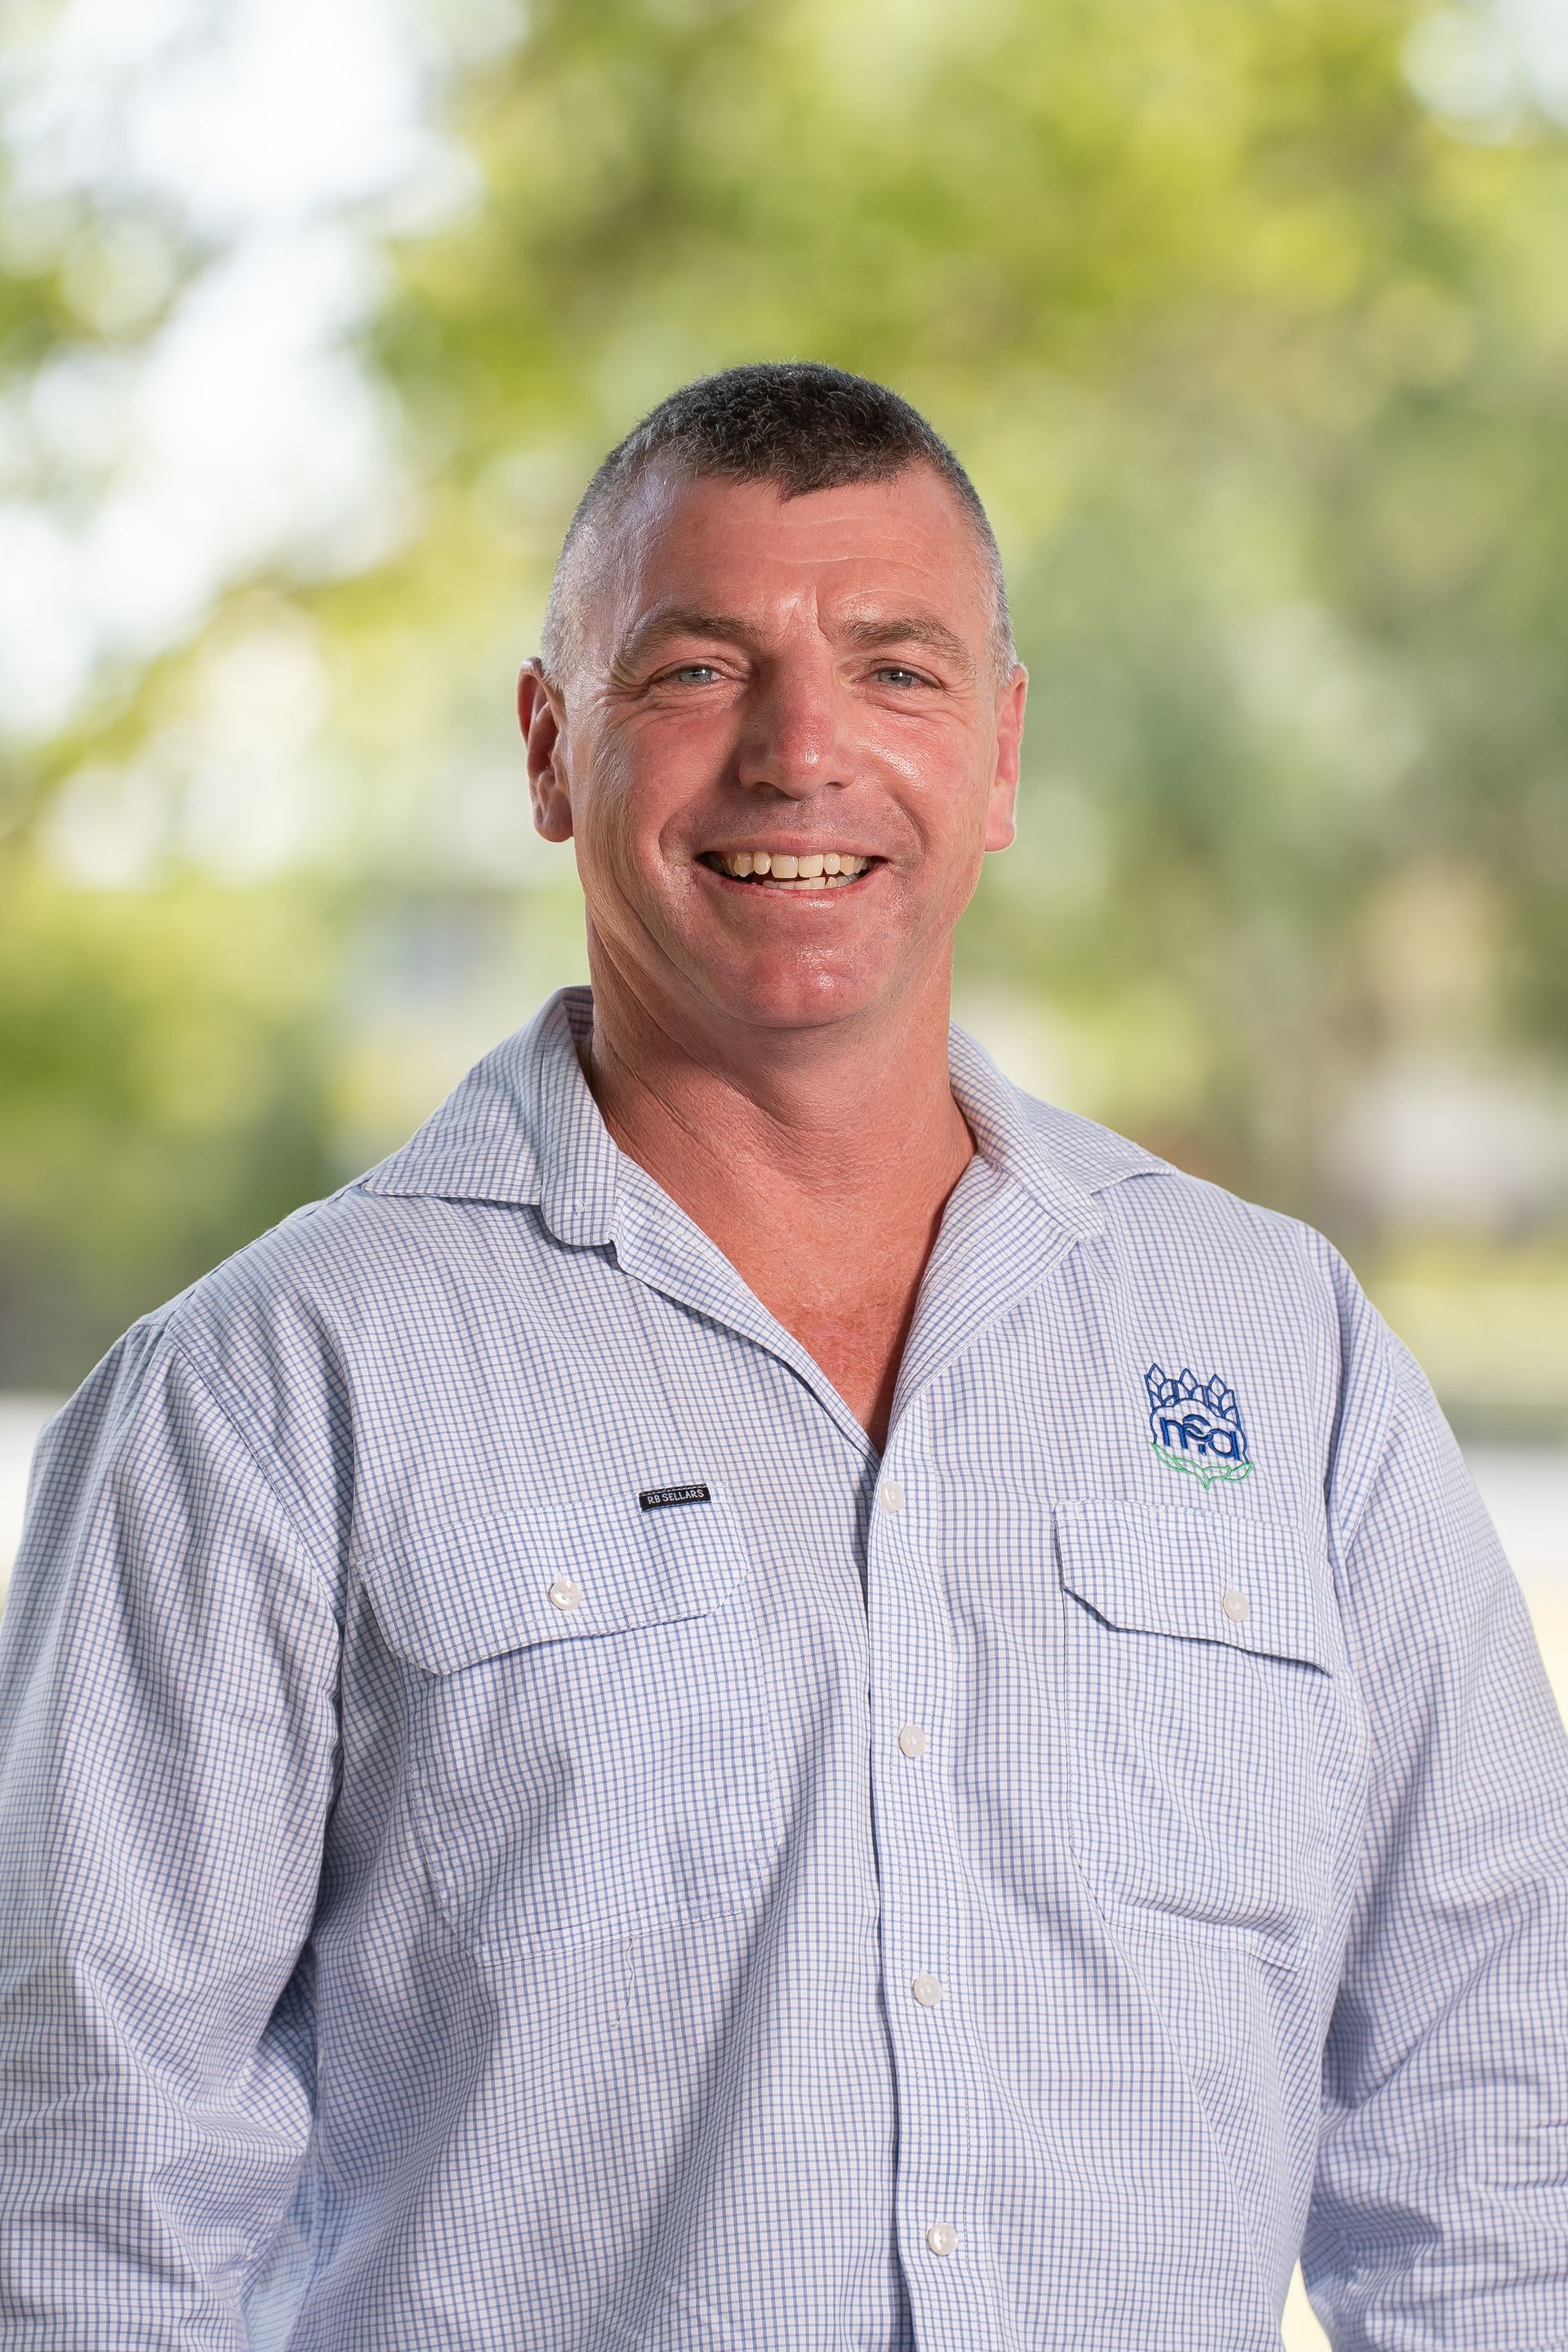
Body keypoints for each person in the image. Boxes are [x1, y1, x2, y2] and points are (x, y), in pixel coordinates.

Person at [1, 362, 1565, 2352]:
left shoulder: (1287, 1353)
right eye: (697, 671)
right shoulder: (264, 1398)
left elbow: (1502, 2135)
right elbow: (83, 2220)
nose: (801, 749)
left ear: (998, 758)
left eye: (898, 670)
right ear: (552, 748)